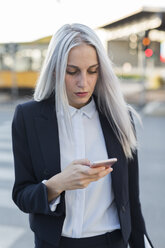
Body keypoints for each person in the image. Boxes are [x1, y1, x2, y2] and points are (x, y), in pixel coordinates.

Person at [12, 23, 154, 248]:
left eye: (92, 71)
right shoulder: (28, 117)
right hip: (54, 243)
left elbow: (131, 201)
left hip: (111, 242)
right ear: (56, 69)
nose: (83, 82)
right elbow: (22, 195)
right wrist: (56, 184)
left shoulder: (119, 117)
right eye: (72, 71)